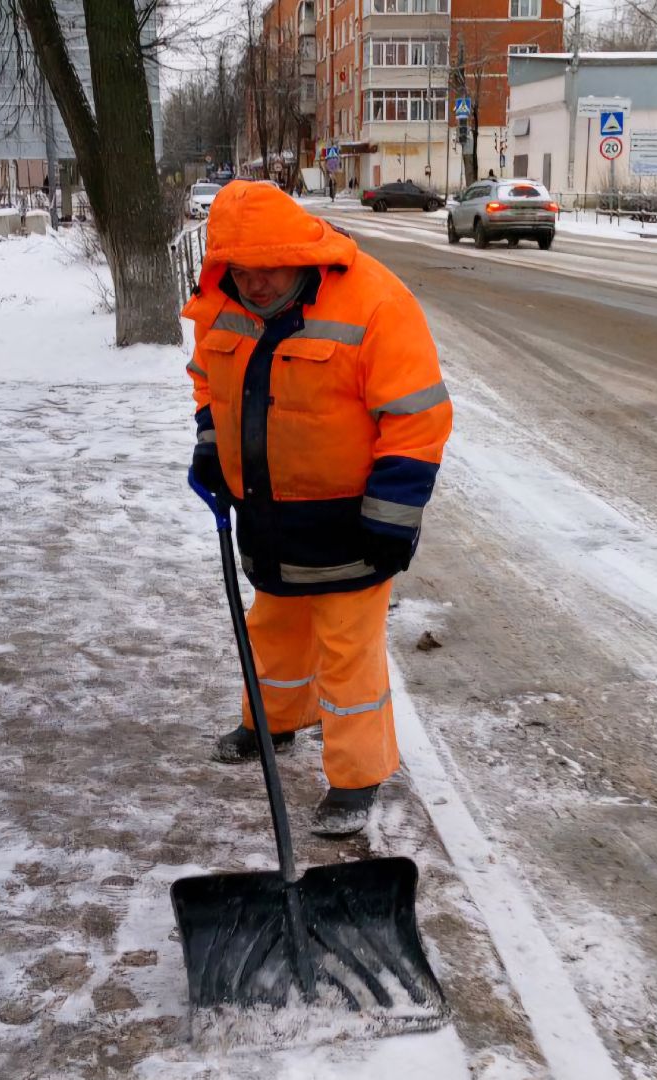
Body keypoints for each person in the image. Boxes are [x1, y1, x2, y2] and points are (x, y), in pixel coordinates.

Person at [184, 182, 453, 837]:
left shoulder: (375, 303)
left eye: (267, 267)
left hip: (350, 523)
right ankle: (272, 724)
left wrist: (391, 520)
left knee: (346, 652)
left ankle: (355, 779)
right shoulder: (224, 305)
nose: (255, 284)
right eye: (240, 271)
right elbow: (206, 378)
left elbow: (415, 419)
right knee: (272, 627)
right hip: (268, 516)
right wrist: (211, 447)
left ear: (299, 252)